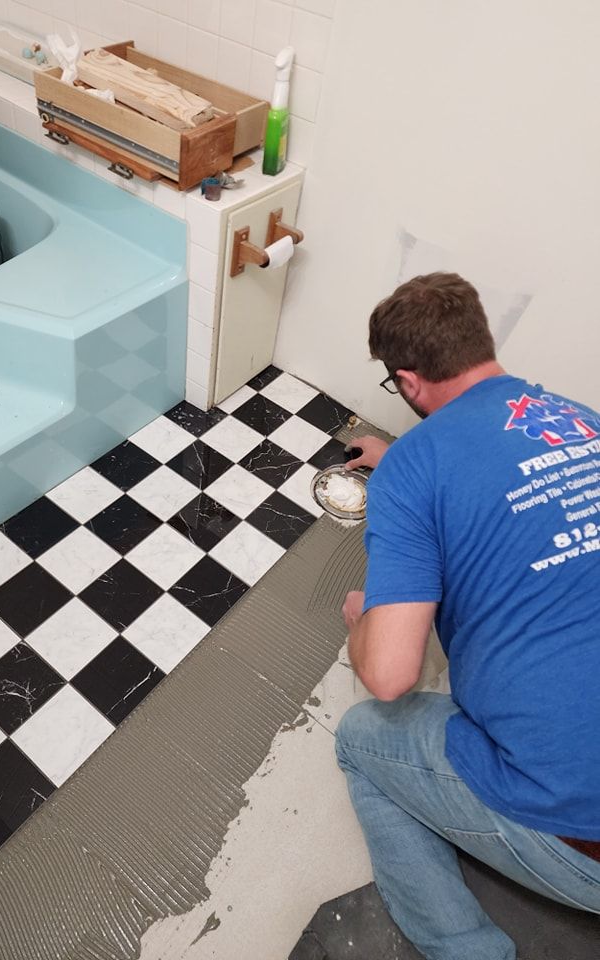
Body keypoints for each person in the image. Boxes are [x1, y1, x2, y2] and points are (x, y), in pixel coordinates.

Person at [335, 272, 600, 960]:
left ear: (408, 381)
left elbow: (392, 674)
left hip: (585, 843)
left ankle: (468, 951)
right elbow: (508, 477)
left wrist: (367, 622)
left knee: (363, 737)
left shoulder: (412, 472)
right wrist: (410, 466)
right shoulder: (583, 422)